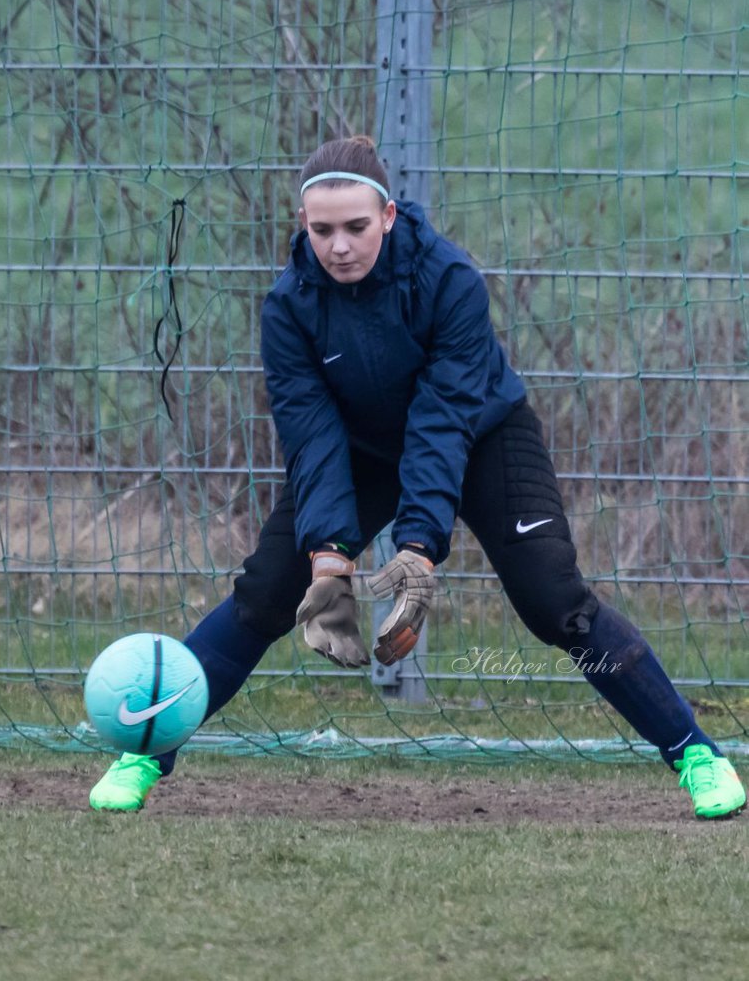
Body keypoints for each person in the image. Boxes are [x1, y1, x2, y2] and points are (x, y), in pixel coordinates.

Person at [89, 135, 746, 819]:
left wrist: (418, 550)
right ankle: (144, 751)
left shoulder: (448, 280)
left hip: (483, 434)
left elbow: (442, 420)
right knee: (263, 595)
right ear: (303, 227)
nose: (339, 245)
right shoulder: (288, 309)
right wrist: (328, 561)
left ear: (390, 216)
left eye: (355, 227)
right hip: (360, 450)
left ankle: (697, 755)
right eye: (321, 230)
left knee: (556, 602)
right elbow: (312, 439)